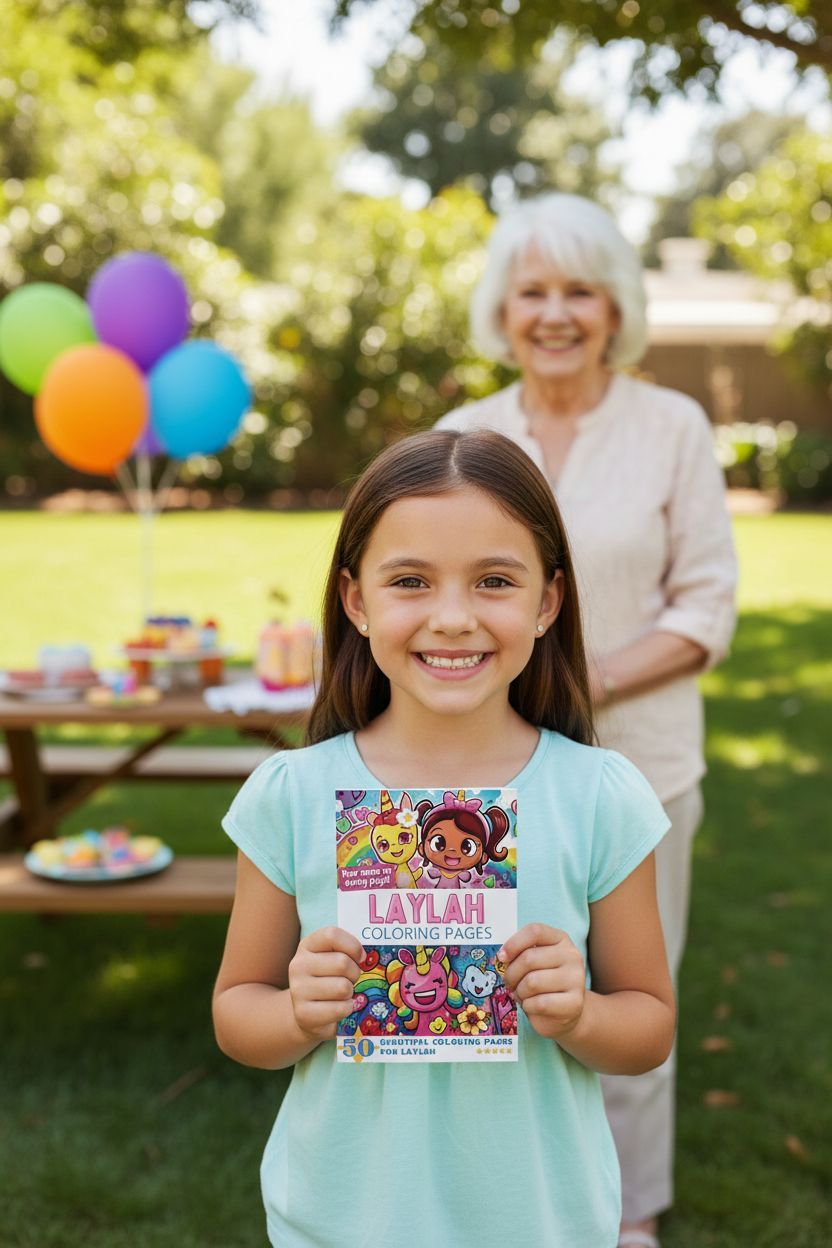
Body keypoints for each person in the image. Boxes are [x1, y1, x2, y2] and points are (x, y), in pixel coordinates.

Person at [213, 428, 676, 1248]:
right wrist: (296, 1011)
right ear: (356, 601)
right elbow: (236, 1011)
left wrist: (580, 1015)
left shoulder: (599, 798)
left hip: (540, 1220)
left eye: (494, 581)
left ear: (547, 602)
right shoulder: (293, 795)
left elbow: (648, 1028)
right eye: (411, 582)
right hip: (339, 1218)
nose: (453, 618)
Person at [435, 193, 738, 1248]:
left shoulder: (672, 428)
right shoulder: (460, 438)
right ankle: (495, 1199)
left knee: (622, 995)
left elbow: (705, 607)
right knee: (486, 988)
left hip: (638, 771)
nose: (554, 313)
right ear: (500, 309)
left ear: (615, 306)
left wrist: (578, 677)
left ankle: (627, 1216)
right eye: (532, 291)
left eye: (578, 290)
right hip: (482, 772)